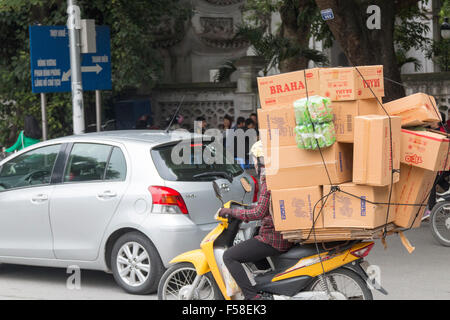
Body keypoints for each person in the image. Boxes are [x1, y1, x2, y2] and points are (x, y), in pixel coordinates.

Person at [219, 140, 293, 300]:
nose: (254, 163)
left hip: (273, 238)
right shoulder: (280, 177)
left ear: (261, 160)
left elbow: (259, 212)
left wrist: (233, 212)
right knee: (254, 235)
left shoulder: (269, 181)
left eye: (255, 159)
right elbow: (265, 206)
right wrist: (247, 207)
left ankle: (252, 297)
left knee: (229, 256)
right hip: (282, 234)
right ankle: (268, 284)